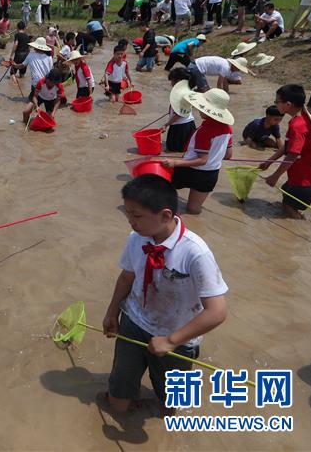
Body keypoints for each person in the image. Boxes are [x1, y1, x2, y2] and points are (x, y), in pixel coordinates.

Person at [102, 174, 228, 414]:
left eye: (136, 215)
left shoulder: (195, 253)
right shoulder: (136, 238)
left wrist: (171, 341)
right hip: (134, 322)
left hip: (177, 336)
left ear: (165, 215)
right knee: (117, 400)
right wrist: (112, 312)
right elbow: (127, 277)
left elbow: (217, 311)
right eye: (128, 213)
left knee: (172, 407)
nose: (130, 221)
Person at [162, 88, 234, 214]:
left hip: (190, 170)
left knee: (160, 191)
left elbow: (202, 160)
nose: (199, 109)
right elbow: (228, 155)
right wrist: (215, 155)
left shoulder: (204, 131)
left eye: (202, 107)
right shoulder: (228, 129)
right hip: (211, 175)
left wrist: (175, 162)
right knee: (193, 210)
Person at [258, 84, 311, 219]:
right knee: (286, 195)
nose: (275, 104)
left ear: (288, 104)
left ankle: (299, 228)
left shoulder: (297, 126)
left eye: (277, 101)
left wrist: (274, 177)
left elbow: (292, 155)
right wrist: (270, 161)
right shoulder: (304, 116)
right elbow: (288, 146)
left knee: (288, 207)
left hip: (306, 178)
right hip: (309, 173)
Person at [164, 75, 197, 152]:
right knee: (186, 149)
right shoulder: (187, 91)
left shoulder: (179, 94)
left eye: (172, 81)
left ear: (178, 81)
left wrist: (166, 125)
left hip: (181, 127)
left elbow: (179, 114)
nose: (170, 84)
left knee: (175, 150)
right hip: (188, 124)